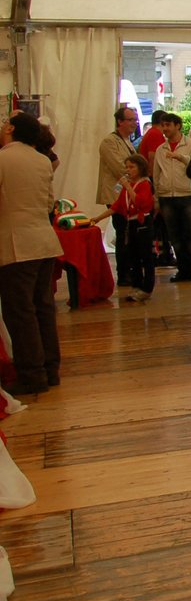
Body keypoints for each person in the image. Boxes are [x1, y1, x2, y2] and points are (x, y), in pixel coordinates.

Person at [0, 112, 64, 393]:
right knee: (43, 308)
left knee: (20, 311)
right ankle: (50, 369)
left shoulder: (3, 158)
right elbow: (49, 202)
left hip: (17, 242)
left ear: (11, 129)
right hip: (43, 239)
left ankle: (31, 374)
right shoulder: (42, 160)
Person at [90, 155, 156, 301]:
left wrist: (127, 186)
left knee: (145, 256)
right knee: (133, 256)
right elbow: (117, 206)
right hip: (130, 223)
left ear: (140, 168)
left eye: (132, 167)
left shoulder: (144, 184)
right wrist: (98, 218)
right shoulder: (129, 186)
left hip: (142, 223)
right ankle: (136, 285)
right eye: (127, 167)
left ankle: (147, 287)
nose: (128, 170)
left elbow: (140, 202)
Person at [152, 112, 191, 282]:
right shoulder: (161, 149)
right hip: (167, 197)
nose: (165, 129)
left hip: (187, 195)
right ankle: (183, 270)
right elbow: (156, 174)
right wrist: (157, 198)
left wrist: (181, 157)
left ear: (178, 126)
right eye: (163, 125)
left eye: (168, 125)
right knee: (175, 237)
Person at [99, 105, 140, 286]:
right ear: (120, 122)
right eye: (130, 120)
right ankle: (123, 273)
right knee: (123, 233)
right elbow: (120, 168)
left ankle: (130, 269)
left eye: (135, 119)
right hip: (116, 196)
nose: (134, 123)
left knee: (130, 234)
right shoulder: (109, 142)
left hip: (129, 195)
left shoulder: (128, 141)